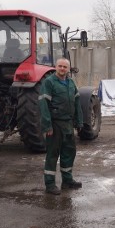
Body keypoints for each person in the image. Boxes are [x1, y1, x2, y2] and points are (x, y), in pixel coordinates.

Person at [39, 58, 83, 195]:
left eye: (65, 66)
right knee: (53, 154)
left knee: (69, 153)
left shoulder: (71, 83)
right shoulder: (49, 82)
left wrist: (79, 121)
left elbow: (77, 103)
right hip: (55, 124)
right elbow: (43, 105)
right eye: (60, 66)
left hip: (68, 124)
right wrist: (47, 126)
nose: (62, 69)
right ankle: (50, 184)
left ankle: (67, 181)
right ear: (55, 67)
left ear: (68, 69)